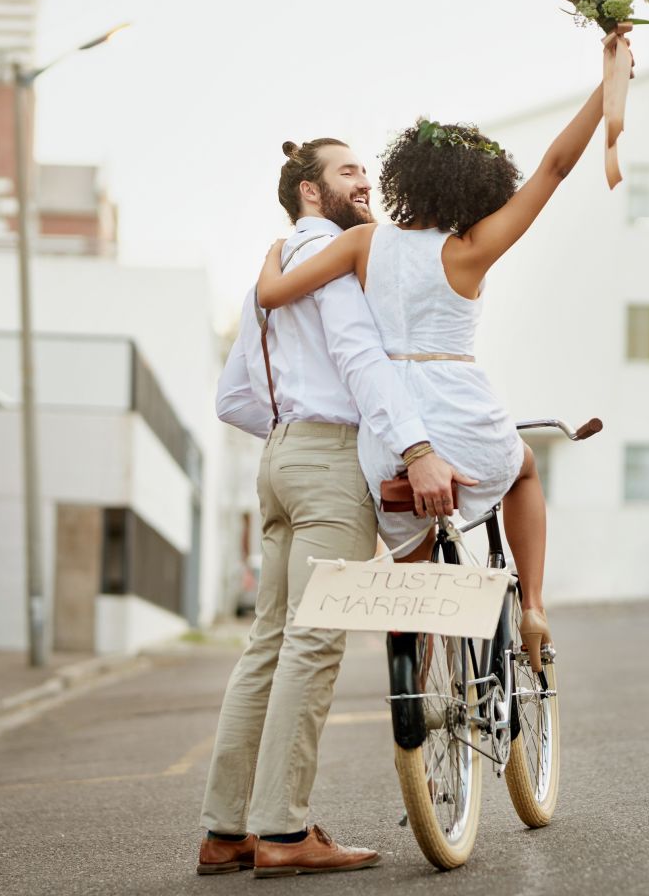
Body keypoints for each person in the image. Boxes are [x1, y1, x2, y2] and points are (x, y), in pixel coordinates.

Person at [255, 33, 631, 673]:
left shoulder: (364, 244)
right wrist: (610, 85)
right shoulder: (472, 249)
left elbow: (273, 295)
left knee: (413, 566)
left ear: (407, 178)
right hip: (461, 409)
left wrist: (275, 249)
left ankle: (420, 692)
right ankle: (534, 604)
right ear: (476, 190)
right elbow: (556, 167)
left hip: (390, 429)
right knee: (525, 469)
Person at [198, 137, 472, 878]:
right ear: (309, 191)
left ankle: (228, 832)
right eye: (348, 170)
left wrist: (294, 432)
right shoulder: (341, 253)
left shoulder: (279, 264)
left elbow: (233, 399)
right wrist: (416, 450)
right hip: (324, 465)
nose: (366, 181)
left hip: (279, 459)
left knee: (268, 645)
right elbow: (360, 357)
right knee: (314, 644)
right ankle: (284, 834)